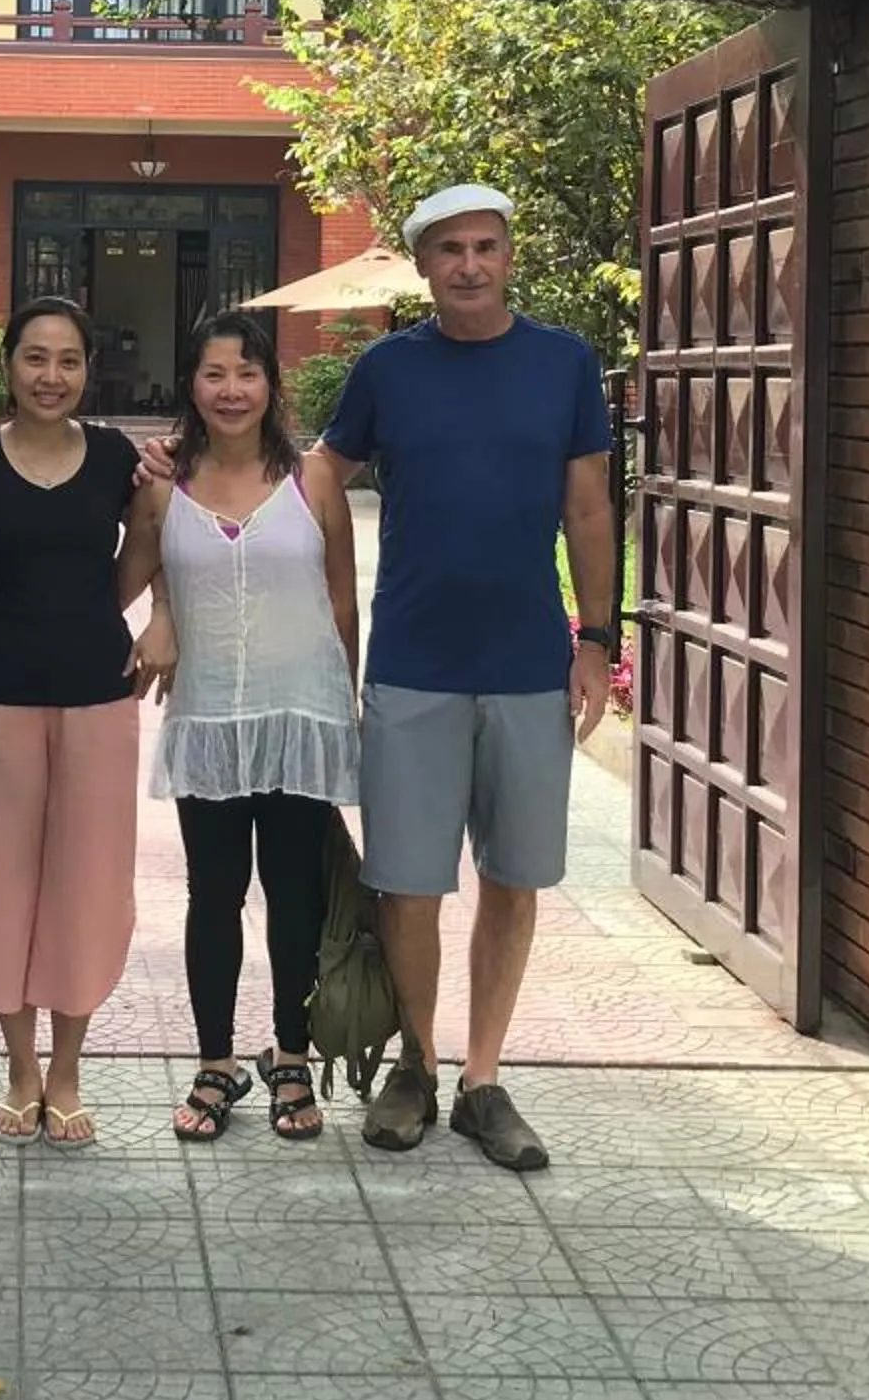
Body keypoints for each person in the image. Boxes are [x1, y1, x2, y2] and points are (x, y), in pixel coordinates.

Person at [312, 184, 615, 1171]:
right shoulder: (387, 370)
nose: (472, 265)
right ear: (425, 266)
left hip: (528, 662)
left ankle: (484, 1080)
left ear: (509, 255)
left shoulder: (564, 363)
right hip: (413, 666)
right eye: (451, 250)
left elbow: (591, 511)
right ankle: (419, 1064)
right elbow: (323, 473)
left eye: (487, 246)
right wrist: (323, 594)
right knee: (405, 884)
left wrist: (597, 638)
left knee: (515, 878)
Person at [120, 309, 360, 1145]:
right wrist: (160, 612)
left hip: (302, 714)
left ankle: (290, 1059)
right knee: (212, 897)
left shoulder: (315, 477)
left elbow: (341, 600)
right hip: (212, 715)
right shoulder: (160, 484)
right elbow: (124, 580)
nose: (231, 390)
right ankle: (216, 1062)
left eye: (247, 374)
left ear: (271, 384)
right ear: (191, 382)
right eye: (215, 374)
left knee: (294, 895)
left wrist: (347, 710)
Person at [0, 298, 144, 1147]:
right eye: (34, 358)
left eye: (67, 360)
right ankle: (20, 1067)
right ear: (7, 366)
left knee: (87, 885)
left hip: (99, 695)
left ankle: (66, 1071)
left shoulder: (115, 459)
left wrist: (140, 616)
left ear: (87, 369)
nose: (50, 376)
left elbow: (145, 547)